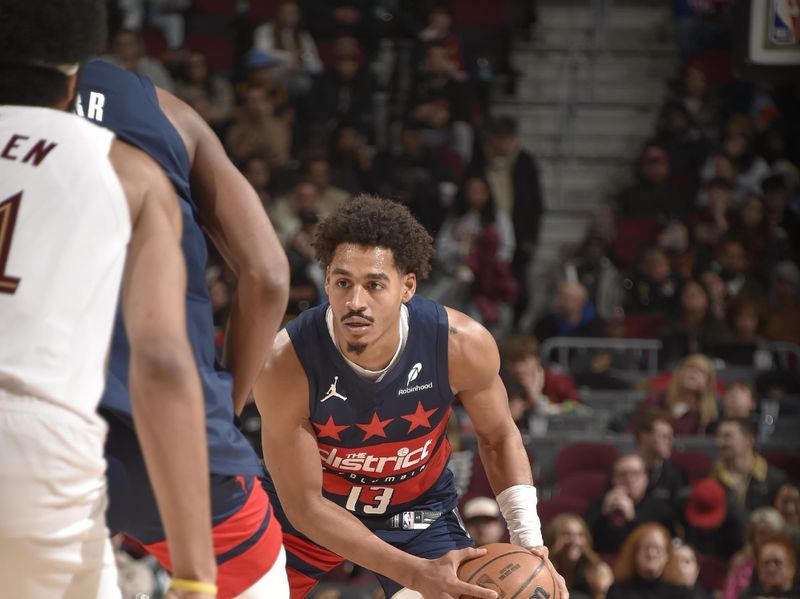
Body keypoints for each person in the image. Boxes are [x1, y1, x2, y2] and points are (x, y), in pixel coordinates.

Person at [0, 1, 216, 597]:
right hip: (38, 455)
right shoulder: (129, 172)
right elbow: (164, 364)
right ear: (74, 77)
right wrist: (196, 576)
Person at [254, 195, 568, 599]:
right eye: (343, 282)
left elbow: (499, 436)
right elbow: (305, 506)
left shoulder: (460, 345)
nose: (355, 302)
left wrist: (529, 541)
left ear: (408, 286)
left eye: (374, 285)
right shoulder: (286, 362)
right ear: (326, 279)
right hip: (311, 516)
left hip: (415, 511)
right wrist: (416, 574)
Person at [77, 58, 291, 598]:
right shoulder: (166, 111)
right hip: (179, 437)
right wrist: (225, 408)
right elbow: (266, 276)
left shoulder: (19, 131)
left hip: (44, 436)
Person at [585, 453, 678, 554]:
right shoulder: (600, 505)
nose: (629, 479)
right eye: (623, 474)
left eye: (635, 474)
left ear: (646, 479)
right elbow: (587, 540)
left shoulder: (660, 509)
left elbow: (664, 542)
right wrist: (603, 515)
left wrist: (633, 519)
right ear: (613, 479)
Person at [711, 418, 788, 512]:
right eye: (718, 437)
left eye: (727, 437)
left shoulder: (775, 479)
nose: (719, 443)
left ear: (749, 440)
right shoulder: (710, 477)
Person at [606, 522, 693, 599]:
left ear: (666, 556)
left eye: (658, 549)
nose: (651, 554)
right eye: (646, 548)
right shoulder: (618, 592)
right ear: (635, 553)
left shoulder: (681, 594)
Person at [544, 513, 614, 599]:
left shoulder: (598, 572)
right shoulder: (542, 571)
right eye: (567, 534)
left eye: (580, 535)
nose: (574, 541)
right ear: (553, 539)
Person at [633, 411, 688, 505]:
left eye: (671, 437)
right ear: (644, 437)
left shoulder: (675, 474)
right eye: (664, 436)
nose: (671, 442)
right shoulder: (623, 471)